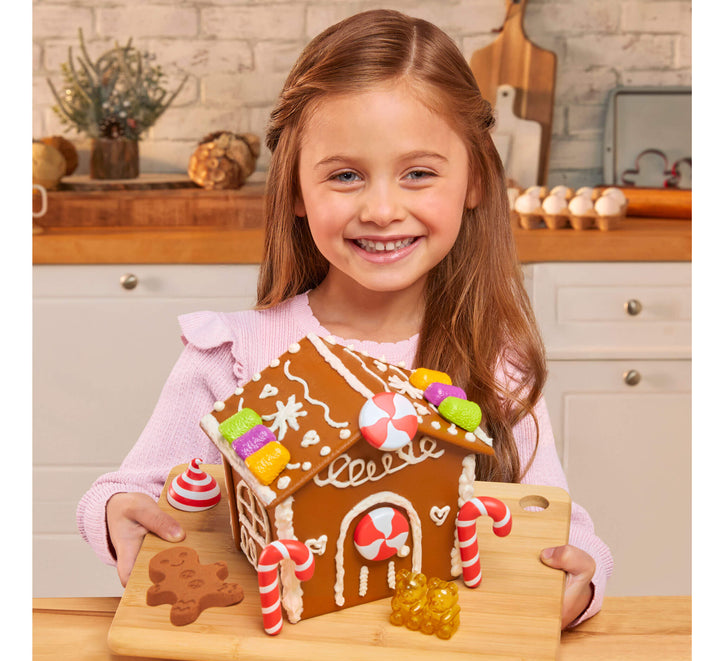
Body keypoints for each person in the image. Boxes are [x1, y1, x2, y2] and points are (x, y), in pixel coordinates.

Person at [77, 9, 612, 629]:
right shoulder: (231, 356)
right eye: (345, 175)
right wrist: (117, 512)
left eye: (418, 173)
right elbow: (126, 493)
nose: (382, 208)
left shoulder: (495, 363)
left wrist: (584, 578)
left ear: (474, 181)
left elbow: (564, 529)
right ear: (297, 192)